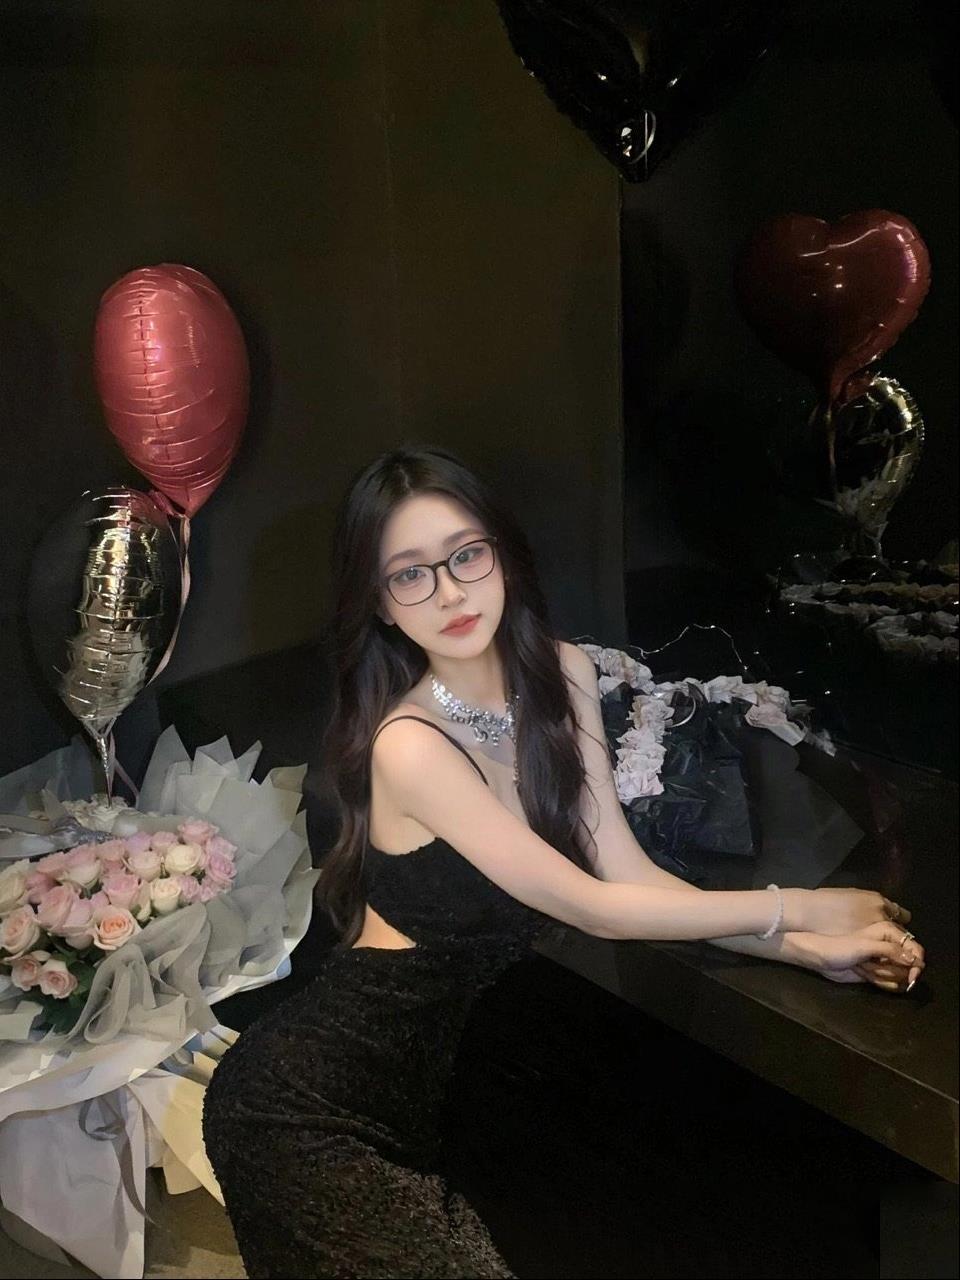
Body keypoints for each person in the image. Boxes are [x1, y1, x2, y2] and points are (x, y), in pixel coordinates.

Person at [201, 443, 925, 1279]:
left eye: (465, 555)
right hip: (306, 1108)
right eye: (410, 575)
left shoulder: (564, 674)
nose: (450, 592)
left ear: (503, 555)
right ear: (382, 606)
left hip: (429, 1100)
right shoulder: (410, 745)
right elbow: (592, 907)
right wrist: (797, 905)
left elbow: (626, 876)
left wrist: (803, 948)